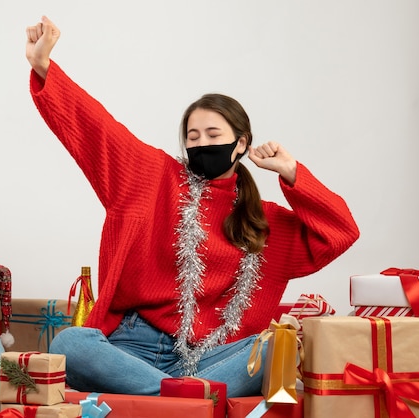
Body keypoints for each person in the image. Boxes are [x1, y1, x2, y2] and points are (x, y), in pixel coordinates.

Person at [25, 16, 359, 397]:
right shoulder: (151, 178)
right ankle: (190, 400)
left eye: (213, 135)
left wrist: (292, 173)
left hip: (213, 356)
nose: (201, 144)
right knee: (71, 344)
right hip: (134, 348)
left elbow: (341, 232)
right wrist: (44, 67)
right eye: (192, 137)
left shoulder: (265, 222)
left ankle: (174, 398)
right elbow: (98, 129)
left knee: (274, 348)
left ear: (241, 144)